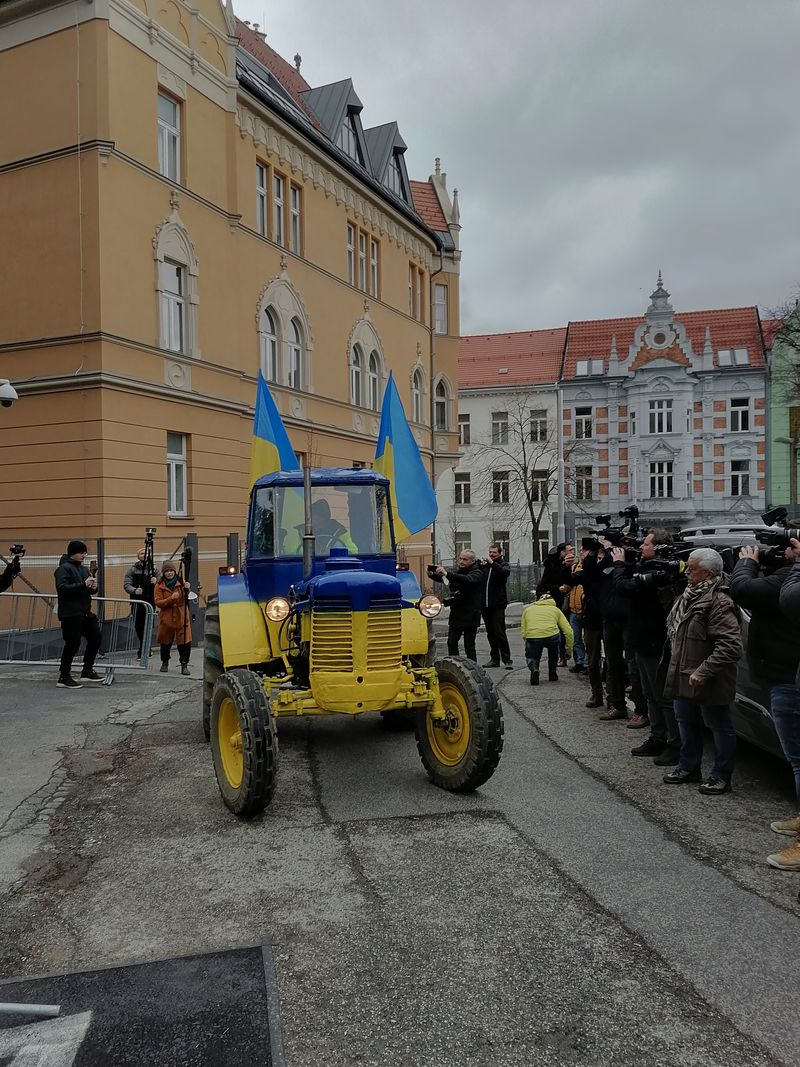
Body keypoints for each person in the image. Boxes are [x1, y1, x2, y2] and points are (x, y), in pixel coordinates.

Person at [731, 538, 800, 871]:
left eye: (791, 544)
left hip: (790, 678)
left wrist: (746, 562)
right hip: (786, 674)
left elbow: (742, 590)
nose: (786, 549)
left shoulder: (790, 579)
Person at [662, 548, 742, 795]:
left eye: (692, 569)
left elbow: (730, 645)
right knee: (685, 721)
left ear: (708, 574)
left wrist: (704, 671)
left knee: (719, 725)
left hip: (707, 678)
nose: (686, 572)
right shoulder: (689, 595)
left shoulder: (719, 601)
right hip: (684, 673)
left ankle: (720, 776)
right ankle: (688, 767)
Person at [611, 530, 684, 762]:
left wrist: (620, 565)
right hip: (640, 638)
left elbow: (625, 587)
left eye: (646, 544)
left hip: (655, 640)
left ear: (659, 548)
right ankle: (657, 737)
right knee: (650, 694)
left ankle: (674, 743)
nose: (641, 548)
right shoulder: (645, 567)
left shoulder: (661, 573)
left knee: (662, 695)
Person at [54, 539, 103, 688]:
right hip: (70, 613)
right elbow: (62, 588)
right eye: (81, 553)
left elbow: (89, 590)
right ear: (73, 553)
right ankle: (64, 675)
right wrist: (83, 584)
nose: (84, 555)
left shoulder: (83, 569)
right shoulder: (63, 568)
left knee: (96, 637)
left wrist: (93, 587)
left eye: (85, 553)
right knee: (72, 644)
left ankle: (87, 669)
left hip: (84, 612)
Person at [434, 549, 483, 661]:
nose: (461, 561)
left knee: (469, 646)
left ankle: (473, 668)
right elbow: (447, 579)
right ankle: (454, 664)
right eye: (460, 558)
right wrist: (433, 574)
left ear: (472, 561)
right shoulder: (458, 571)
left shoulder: (477, 572)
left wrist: (447, 573)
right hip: (457, 613)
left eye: (464, 559)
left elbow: (467, 580)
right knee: (451, 642)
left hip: (471, 614)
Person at [521, 591, 573, 685]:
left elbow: (524, 630)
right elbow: (568, 631)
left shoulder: (528, 610)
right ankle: (552, 674)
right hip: (552, 635)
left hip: (533, 635)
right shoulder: (556, 610)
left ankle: (534, 668)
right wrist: (568, 650)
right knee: (553, 653)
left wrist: (529, 641)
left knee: (532, 656)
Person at [154, 560, 192, 674]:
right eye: (167, 571)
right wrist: (170, 599)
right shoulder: (159, 586)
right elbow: (158, 602)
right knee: (165, 641)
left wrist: (188, 588)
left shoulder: (181, 583)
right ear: (163, 573)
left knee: (184, 641)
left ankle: (184, 664)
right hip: (167, 616)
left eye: (171, 570)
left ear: (175, 572)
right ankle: (165, 662)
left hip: (181, 615)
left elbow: (186, 597)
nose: (169, 573)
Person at [537, 543, 573, 665]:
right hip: (556, 601)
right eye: (569, 551)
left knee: (567, 630)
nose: (571, 553)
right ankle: (560, 656)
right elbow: (544, 584)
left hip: (570, 600)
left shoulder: (571, 565)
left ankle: (565, 655)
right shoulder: (552, 566)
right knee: (558, 630)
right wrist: (558, 588)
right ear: (562, 552)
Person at [480, 543, 513, 670]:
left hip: (498, 605)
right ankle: (495, 659)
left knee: (500, 632)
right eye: (490, 552)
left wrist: (493, 564)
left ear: (500, 553)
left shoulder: (502, 565)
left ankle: (507, 659)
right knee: (490, 633)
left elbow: (504, 573)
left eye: (494, 552)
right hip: (485, 605)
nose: (491, 554)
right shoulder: (485, 566)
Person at [123, 547, 157, 658]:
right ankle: (145, 647)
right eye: (141, 553)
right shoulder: (132, 570)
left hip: (150, 601)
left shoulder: (154, 568)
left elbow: (162, 581)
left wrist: (156, 581)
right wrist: (134, 590)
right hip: (137, 602)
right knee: (138, 625)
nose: (144, 555)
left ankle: (144, 649)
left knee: (148, 625)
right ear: (138, 556)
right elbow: (127, 584)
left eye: (146, 553)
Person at [560, 549, 587, 674]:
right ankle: (580, 662)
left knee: (588, 639)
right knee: (576, 639)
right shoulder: (574, 566)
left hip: (585, 609)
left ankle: (587, 663)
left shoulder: (590, 567)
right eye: (580, 550)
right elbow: (568, 583)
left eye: (584, 550)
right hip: (573, 609)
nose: (581, 552)